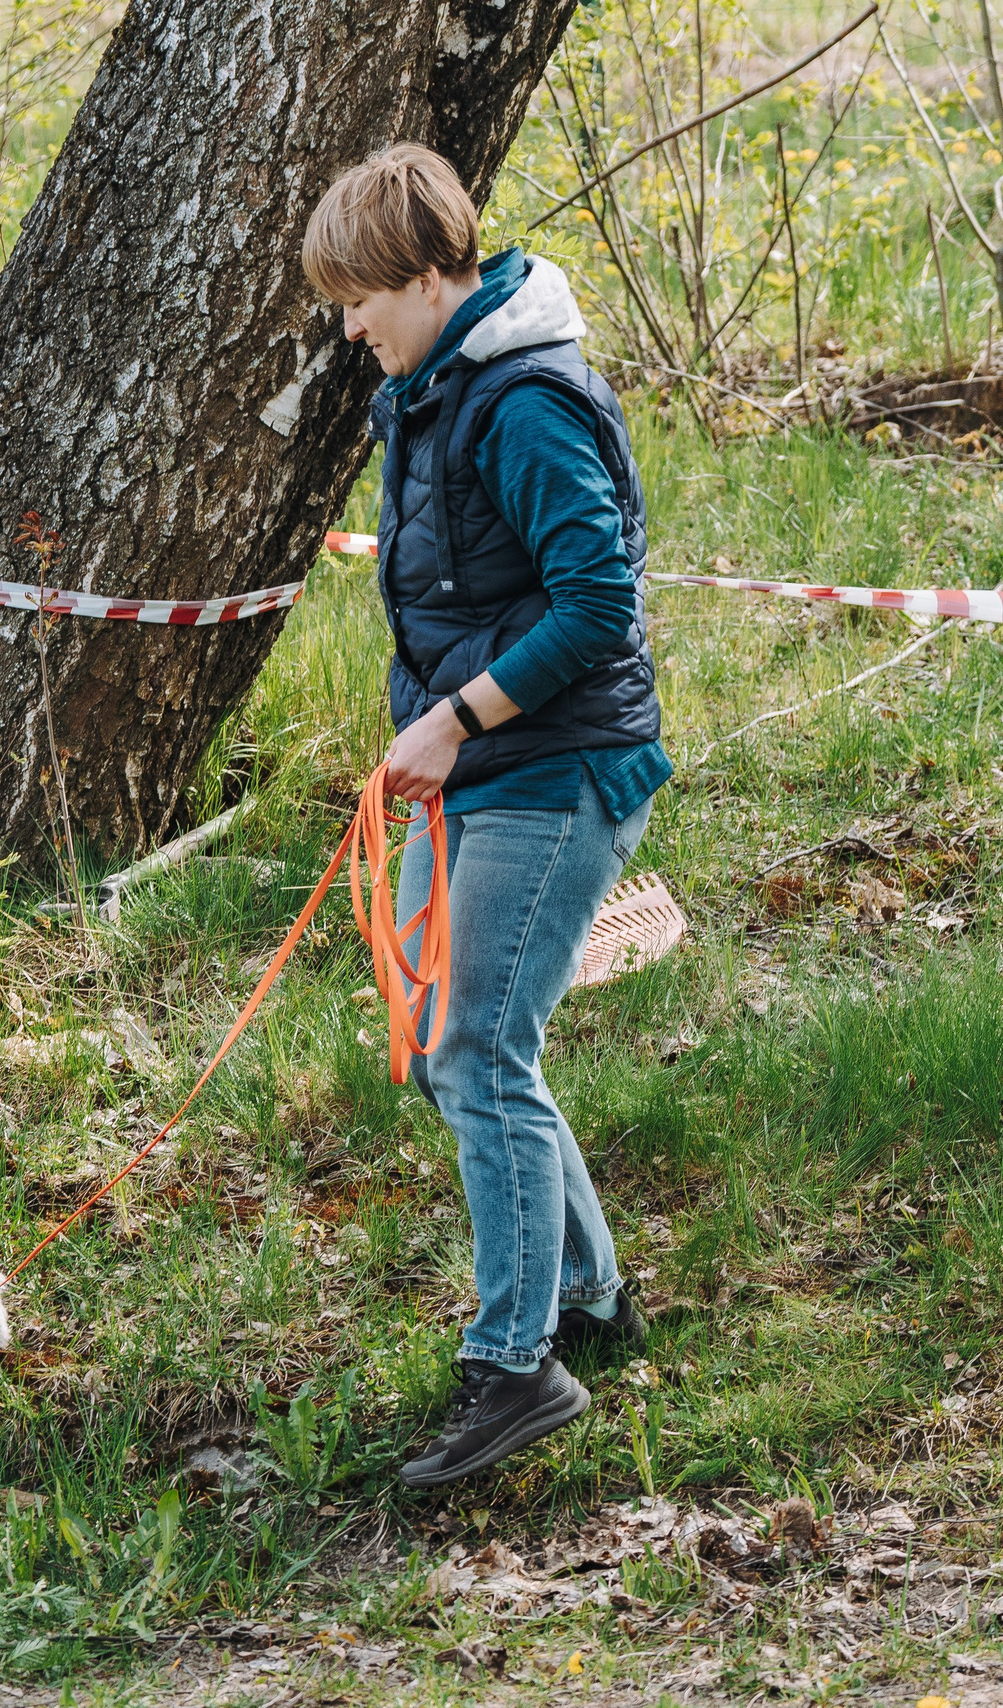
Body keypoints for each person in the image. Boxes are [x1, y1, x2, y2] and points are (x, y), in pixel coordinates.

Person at [301, 145, 670, 1488]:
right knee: (459, 1049)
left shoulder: (525, 403)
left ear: (427, 275)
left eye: (359, 298)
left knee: (478, 1050)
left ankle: (514, 1367)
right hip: (472, 770)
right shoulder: (431, 390)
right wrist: (432, 731)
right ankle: (591, 1299)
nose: (349, 328)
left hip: (557, 767)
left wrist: (455, 722)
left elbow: (597, 609)